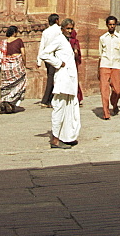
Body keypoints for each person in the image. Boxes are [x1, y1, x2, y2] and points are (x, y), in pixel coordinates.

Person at [40, 18, 81, 148]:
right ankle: (55, 139)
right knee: (59, 108)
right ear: (62, 28)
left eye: (71, 29)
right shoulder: (58, 39)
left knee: (69, 109)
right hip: (63, 79)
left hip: (70, 80)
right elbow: (44, 54)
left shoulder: (67, 41)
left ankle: (67, 136)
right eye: (67, 28)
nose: (69, 31)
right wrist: (58, 63)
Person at [98, 15, 120, 119]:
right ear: (107, 25)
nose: (111, 26)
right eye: (110, 24)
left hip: (116, 65)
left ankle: (114, 103)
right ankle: (106, 113)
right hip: (105, 65)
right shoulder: (102, 38)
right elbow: (100, 54)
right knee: (104, 90)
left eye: (113, 24)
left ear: (116, 25)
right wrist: (99, 69)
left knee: (118, 90)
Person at [0, 26, 26, 114]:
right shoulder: (19, 40)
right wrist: (24, 63)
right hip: (17, 65)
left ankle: (5, 100)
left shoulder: (3, 42)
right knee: (20, 83)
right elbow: (23, 53)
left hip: (6, 66)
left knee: (6, 84)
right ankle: (11, 101)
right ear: (15, 32)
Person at [36, 13, 62, 107]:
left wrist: (39, 60)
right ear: (56, 20)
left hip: (47, 57)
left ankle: (50, 99)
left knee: (51, 77)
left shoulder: (45, 32)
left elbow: (42, 46)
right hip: (56, 57)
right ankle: (45, 100)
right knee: (53, 78)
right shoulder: (59, 31)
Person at [68, 22, 84, 105]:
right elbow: (77, 52)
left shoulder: (69, 41)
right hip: (73, 62)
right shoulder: (75, 41)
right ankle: (77, 97)